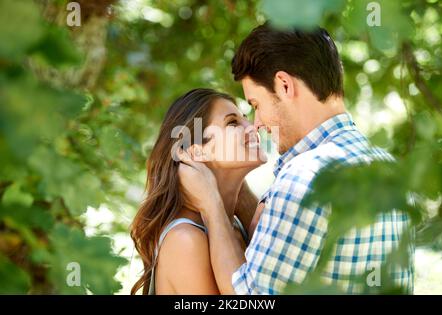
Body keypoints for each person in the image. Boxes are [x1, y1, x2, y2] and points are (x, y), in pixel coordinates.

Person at [177, 23, 414, 294]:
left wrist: (212, 206)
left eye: (256, 105)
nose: (258, 123)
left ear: (285, 85)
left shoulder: (305, 176)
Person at [130, 88, 265, 294]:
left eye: (245, 118)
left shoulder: (236, 224)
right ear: (195, 152)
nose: (254, 126)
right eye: (232, 123)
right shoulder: (186, 240)